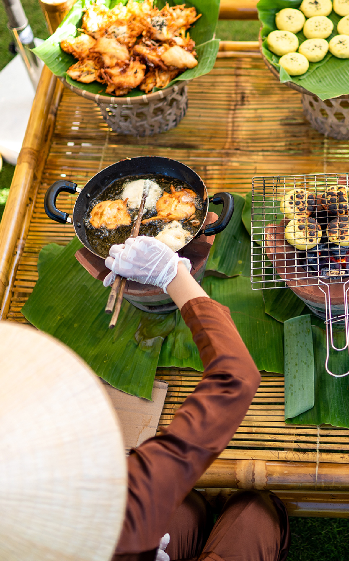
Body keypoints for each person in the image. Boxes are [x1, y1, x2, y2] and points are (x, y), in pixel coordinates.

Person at [104, 236, 290, 561]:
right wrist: (171, 273)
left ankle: (199, 511)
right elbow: (235, 378)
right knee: (254, 512)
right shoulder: (122, 510)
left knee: (187, 506)